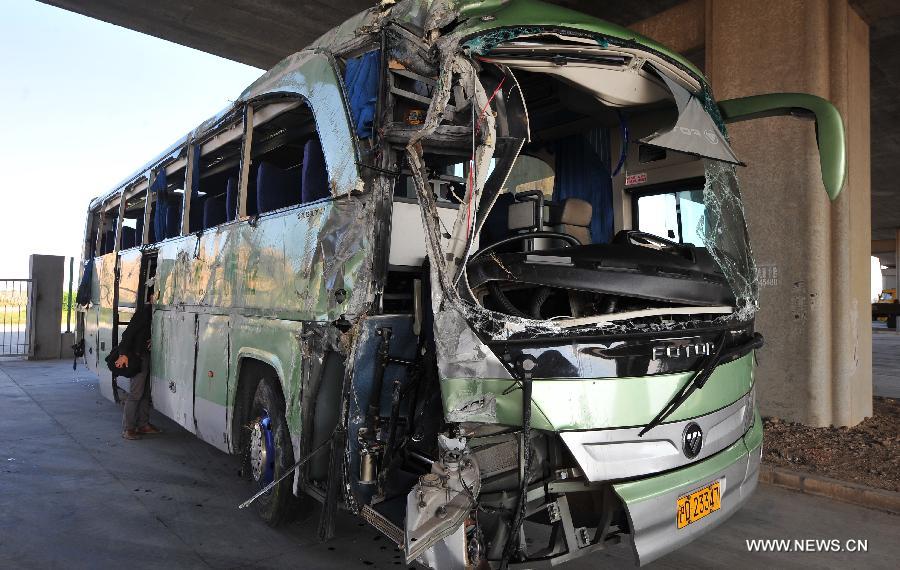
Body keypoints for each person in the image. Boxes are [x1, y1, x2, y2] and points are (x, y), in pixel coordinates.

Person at [115, 301, 162, 440]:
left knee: (146, 393)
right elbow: (127, 334)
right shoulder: (143, 313)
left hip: (147, 356)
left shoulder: (156, 313)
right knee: (136, 394)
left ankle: (143, 424)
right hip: (138, 357)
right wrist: (123, 354)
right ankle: (128, 429)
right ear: (152, 297)